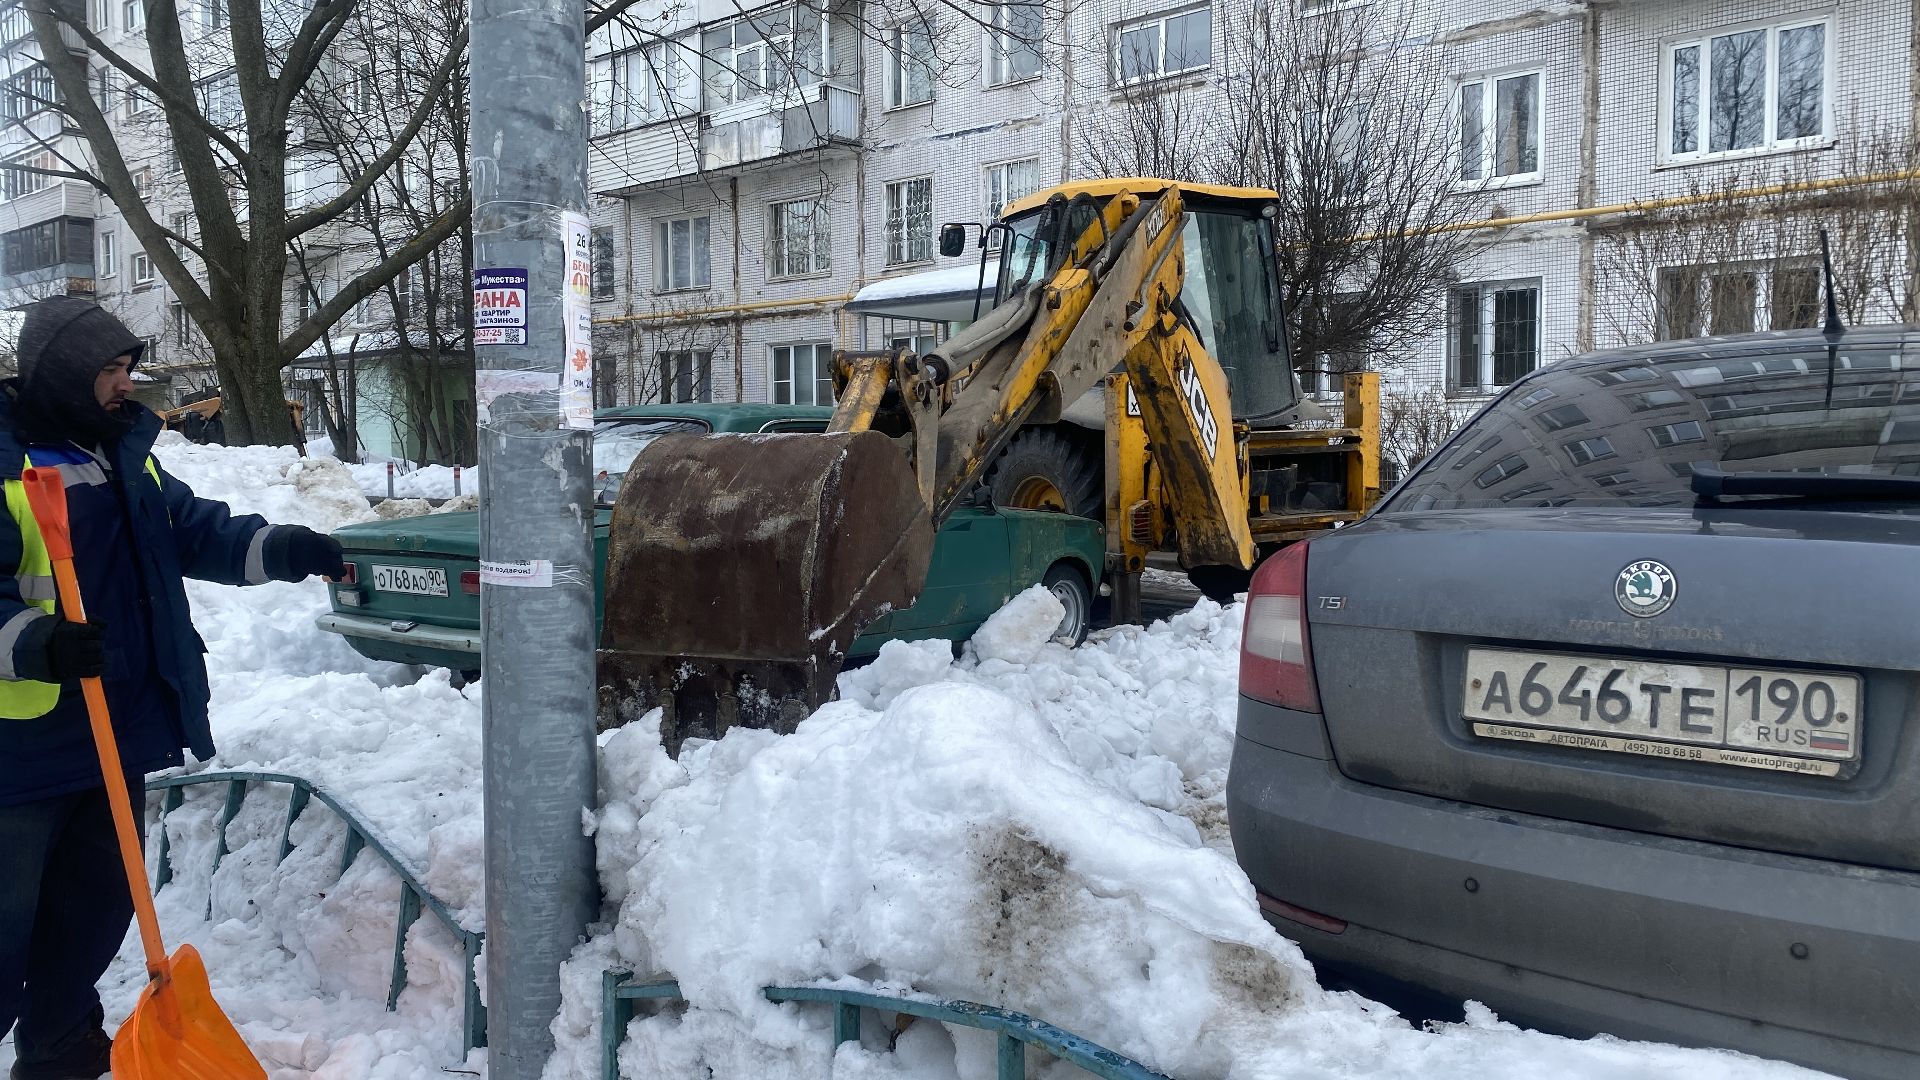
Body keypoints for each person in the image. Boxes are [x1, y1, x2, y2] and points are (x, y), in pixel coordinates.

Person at [0, 297, 345, 1080]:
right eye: (110, 371)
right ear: (63, 372)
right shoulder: (6, 465)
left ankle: (59, 1051)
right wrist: (34, 642)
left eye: (127, 368)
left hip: (112, 733)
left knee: (90, 915)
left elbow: (195, 531)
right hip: (20, 756)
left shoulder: (125, 454)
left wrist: (285, 548)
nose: (126, 384)